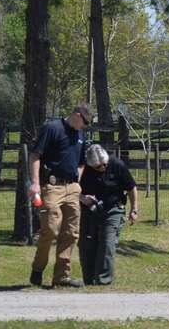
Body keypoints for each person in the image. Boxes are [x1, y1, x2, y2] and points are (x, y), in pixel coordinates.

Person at [29, 104, 92, 288]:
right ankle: (38, 268)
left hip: (72, 188)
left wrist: (77, 185)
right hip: (52, 186)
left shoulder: (80, 134)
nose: (85, 126)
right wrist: (35, 183)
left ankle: (62, 277)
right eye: (85, 122)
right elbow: (35, 156)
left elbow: (81, 163)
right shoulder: (52, 128)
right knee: (50, 229)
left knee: (71, 233)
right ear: (77, 115)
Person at [78, 144, 138, 286]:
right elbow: (72, 188)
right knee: (87, 246)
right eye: (98, 167)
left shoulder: (117, 165)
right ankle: (89, 280)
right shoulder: (83, 169)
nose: (103, 168)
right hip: (89, 210)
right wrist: (82, 198)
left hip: (113, 209)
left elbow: (131, 187)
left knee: (107, 244)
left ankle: (103, 281)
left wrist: (134, 209)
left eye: (104, 165)